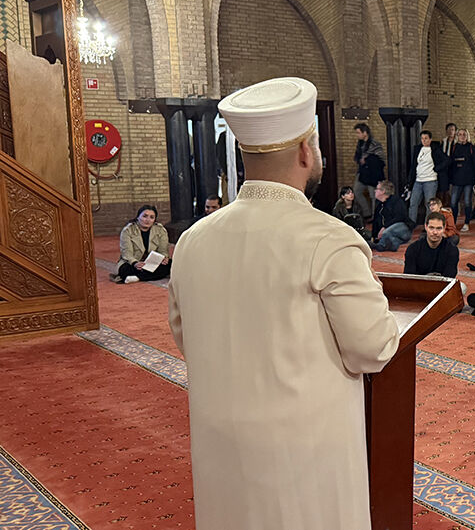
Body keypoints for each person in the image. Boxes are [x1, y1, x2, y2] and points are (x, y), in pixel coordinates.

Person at [168, 77, 402, 530]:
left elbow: (186, 336)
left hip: (221, 443)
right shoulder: (329, 238)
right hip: (305, 452)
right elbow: (373, 348)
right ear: (303, 152)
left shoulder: (194, 240)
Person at [114, 204, 171, 283]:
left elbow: (163, 250)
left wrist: (164, 258)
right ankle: (148, 276)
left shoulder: (160, 230)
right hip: (134, 262)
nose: (147, 220)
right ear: (138, 217)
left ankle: (137, 278)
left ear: (154, 220)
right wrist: (135, 263)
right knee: (124, 270)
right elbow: (126, 253)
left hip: (152, 263)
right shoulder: (127, 230)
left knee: (169, 265)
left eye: (151, 217)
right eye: (145, 216)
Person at [408, 130, 449, 224]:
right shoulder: (418, 149)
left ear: (430, 139)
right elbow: (414, 165)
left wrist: (436, 168)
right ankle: (410, 224)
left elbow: (447, 160)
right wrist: (410, 180)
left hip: (430, 180)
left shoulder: (435, 149)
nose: (424, 140)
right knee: (413, 203)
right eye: (422, 138)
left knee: (429, 205)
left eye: (426, 138)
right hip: (418, 180)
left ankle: (428, 224)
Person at [403, 211, 459, 277]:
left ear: (444, 228)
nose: (435, 232)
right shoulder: (413, 249)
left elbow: (449, 278)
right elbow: (409, 277)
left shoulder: (452, 250)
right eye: (431, 228)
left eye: (439, 228)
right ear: (426, 227)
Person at [447, 128, 475, 232]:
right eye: (460, 134)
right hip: (457, 180)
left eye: (464, 134)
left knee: (467, 202)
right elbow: (451, 164)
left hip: (468, 180)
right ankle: (453, 223)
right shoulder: (454, 147)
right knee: (453, 202)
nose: (462, 136)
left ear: (467, 136)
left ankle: (466, 222)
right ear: (457, 136)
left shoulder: (471, 147)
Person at [352, 123, 386, 218]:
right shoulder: (360, 144)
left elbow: (381, 160)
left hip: (373, 175)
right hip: (362, 173)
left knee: (373, 195)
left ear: (365, 133)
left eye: (359, 133)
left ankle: (375, 216)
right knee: (356, 191)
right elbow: (356, 157)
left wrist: (367, 160)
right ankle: (367, 212)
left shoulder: (375, 145)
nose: (357, 135)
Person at [370, 181, 414, 252]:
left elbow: (400, 217)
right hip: (390, 233)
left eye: (377, 189)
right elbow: (375, 221)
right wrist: (374, 237)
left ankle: (381, 246)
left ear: (383, 191)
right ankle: (393, 245)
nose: (375, 191)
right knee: (390, 238)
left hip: (402, 229)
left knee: (386, 233)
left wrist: (385, 227)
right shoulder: (379, 205)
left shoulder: (396, 201)